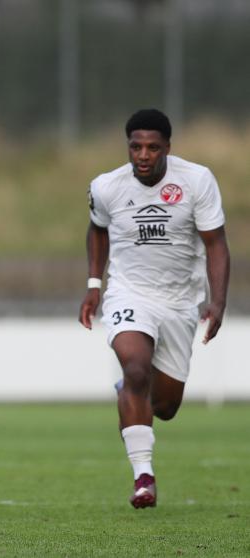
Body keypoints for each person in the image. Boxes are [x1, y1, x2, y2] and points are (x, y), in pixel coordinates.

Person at [79, 109, 229, 509]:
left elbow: (215, 243)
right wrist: (95, 286)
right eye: (135, 146)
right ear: (128, 146)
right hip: (129, 294)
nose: (143, 155)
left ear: (167, 148)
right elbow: (97, 229)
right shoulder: (107, 186)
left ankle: (132, 393)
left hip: (180, 301)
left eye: (152, 147)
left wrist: (217, 300)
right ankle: (143, 477)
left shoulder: (197, 181)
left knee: (164, 406)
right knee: (135, 367)